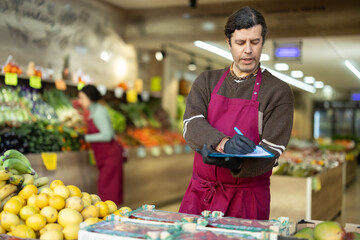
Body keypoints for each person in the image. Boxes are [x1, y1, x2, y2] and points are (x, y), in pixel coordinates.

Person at [179, 6, 294, 220]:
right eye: (241, 43)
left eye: (255, 42)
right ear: (229, 43)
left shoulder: (278, 91)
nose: (248, 50)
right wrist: (223, 143)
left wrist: (237, 163)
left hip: (247, 199)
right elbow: (191, 124)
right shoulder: (207, 81)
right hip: (201, 195)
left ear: (263, 42)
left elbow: (273, 148)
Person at [78, 84, 124, 205]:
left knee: (107, 189)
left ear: (89, 97)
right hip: (104, 155)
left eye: (82, 98)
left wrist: (85, 137)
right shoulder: (94, 111)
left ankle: (110, 219)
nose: (80, 101)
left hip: (110, 155)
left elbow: (107, 135)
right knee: (106, 187)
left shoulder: (99, 112)